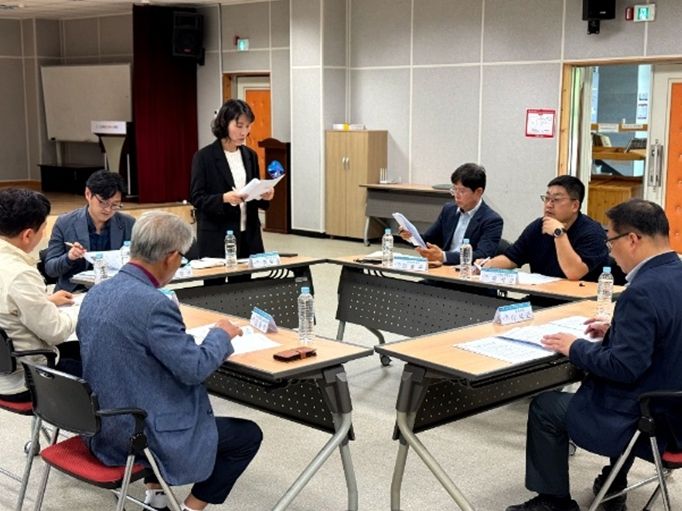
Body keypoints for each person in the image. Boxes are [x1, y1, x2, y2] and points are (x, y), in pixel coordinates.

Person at [77, 211, 262, 511]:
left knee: (151, 392)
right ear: (172, 257)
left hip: (101, 427)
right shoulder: (154, 305)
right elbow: (195, 369)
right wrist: (220, 335)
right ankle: (190, 508)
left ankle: (157, 498)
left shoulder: (97, 292)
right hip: (139, 435)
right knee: (247, 435)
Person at [506, 199, 682, 511]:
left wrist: (574, 346)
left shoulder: (641, 292)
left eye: (611, 241)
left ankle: (553, 502)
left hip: (648, 421)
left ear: (632, 239)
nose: (610, 252)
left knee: (546, 407)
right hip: (674, 413)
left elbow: (623, 367)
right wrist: (617, 331)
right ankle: (614, 483)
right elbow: (668, 335)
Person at [0, 188, 80, 402]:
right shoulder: (20, 274)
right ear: (27, 235)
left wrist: (46, 301)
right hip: (27, 380)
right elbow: (56, 332)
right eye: (43, 229)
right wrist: (82, 311)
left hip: (5, 373)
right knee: (101, 364)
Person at [479, 175, 608, 281]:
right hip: (540, 297)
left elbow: (574, 273)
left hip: (579, 301)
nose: (548, 205)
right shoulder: (539, 226)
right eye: (547, 198)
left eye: (556, 199)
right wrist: (485, 266)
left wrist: (559, 233)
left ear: (575, 206)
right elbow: (512, 258)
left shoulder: (593, 233)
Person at [190, 99, 274, 259]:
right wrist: (223, 198)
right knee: (219, 276)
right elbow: (197, 198)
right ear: (224, 124)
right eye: (239, 126)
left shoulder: (250, 155)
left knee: (247, 276)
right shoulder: (204, 157)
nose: (244, 132)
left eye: (248, 126)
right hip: (217, 235)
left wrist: (264, 195)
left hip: (248, 235)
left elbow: (254, 192)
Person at [45, 169, 135, 292]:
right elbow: (50, 269)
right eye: (103, 202)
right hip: (74, 292)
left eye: (115, 205)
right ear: (88, 194)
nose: (108, 210)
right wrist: (69, 257)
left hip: (114, 290)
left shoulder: (128, 224)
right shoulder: (65, 223)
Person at [399, 163, 503, 264]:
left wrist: (443, 256)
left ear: (478, 192)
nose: (456, 195)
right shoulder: (449, 210)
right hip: (442, 268)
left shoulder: (492, 220)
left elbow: (483, 255)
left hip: (467, 272)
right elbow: (428, 240)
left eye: (462, 191)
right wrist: (411, 236)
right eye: (454, 189)